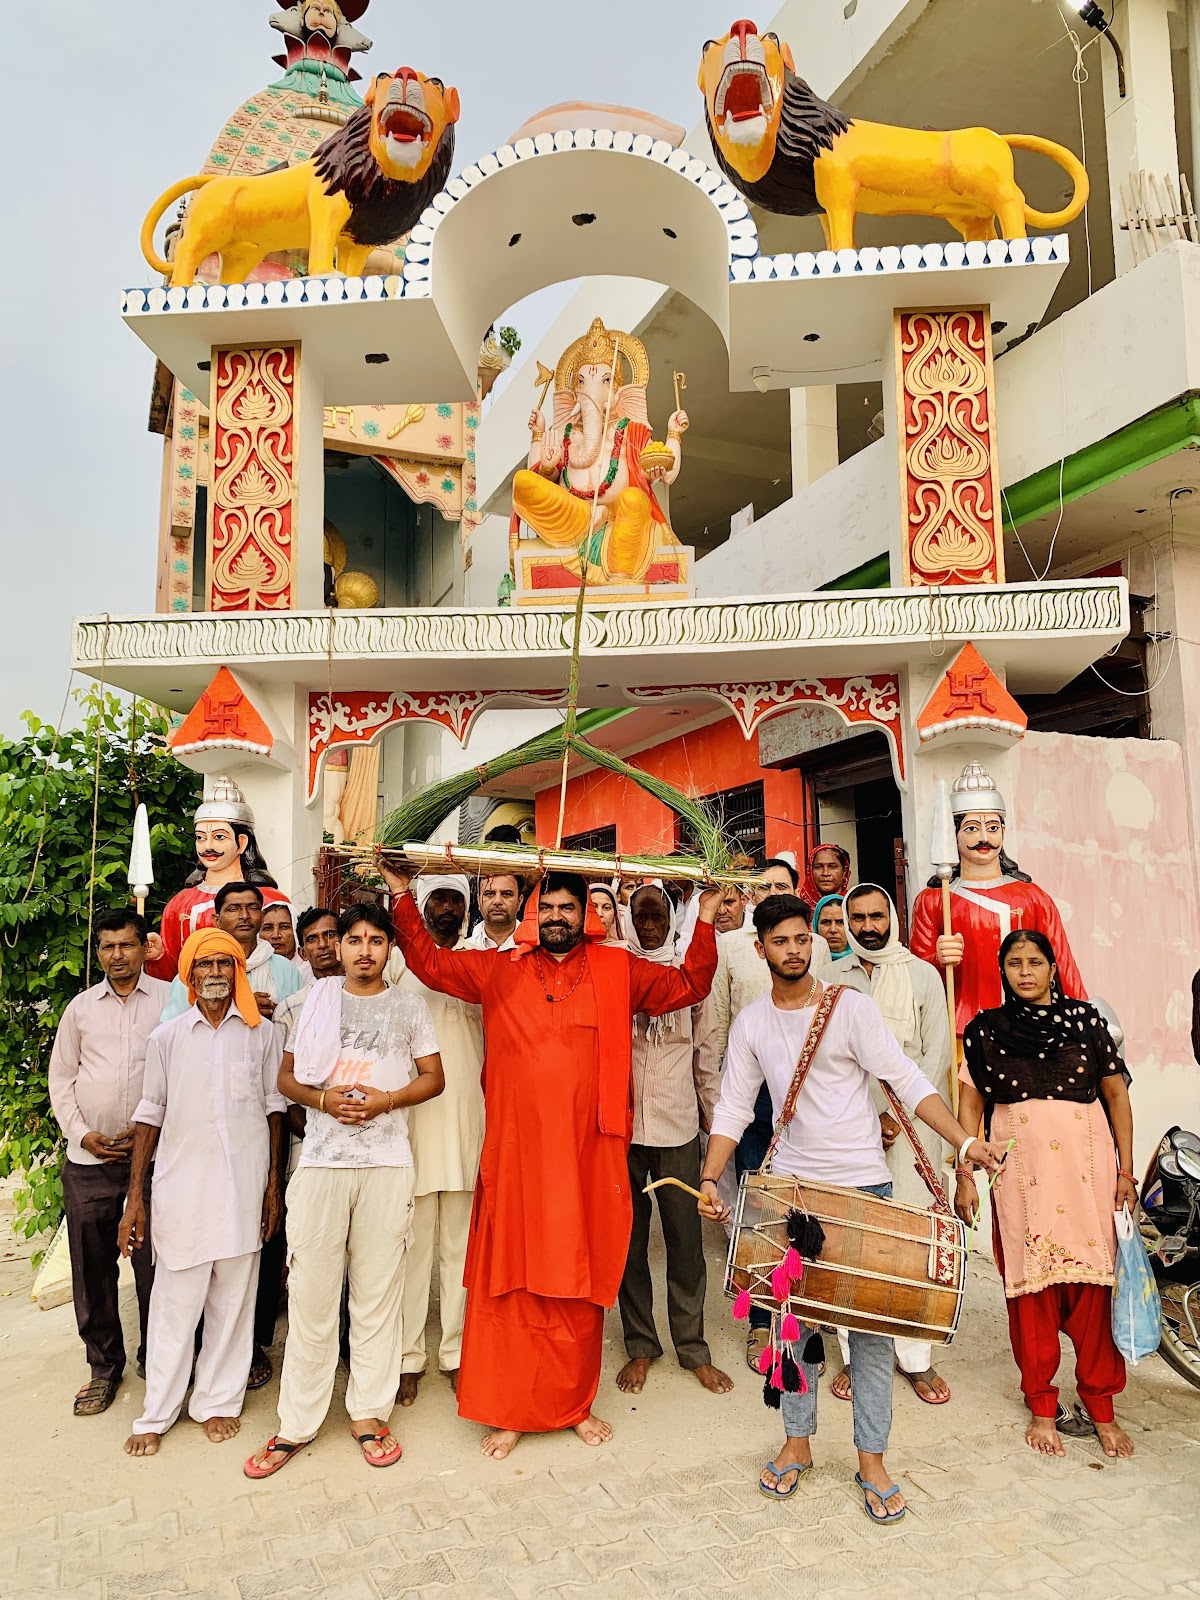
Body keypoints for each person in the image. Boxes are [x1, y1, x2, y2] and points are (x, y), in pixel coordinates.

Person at [377, 861, 721, 1460]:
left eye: (568, 906)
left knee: (576, 1280)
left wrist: (709, 915)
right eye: (548, 907)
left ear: (584, 913)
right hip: (515, 1156)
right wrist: (402, 893)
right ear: (532, 915)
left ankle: (572, 1406)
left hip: (589, 1154)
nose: (557, 916)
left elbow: (688, 983)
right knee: (511, 1282)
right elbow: (429, 964)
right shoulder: (497, 969)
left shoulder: (618, 969)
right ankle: (511, 1411)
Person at [697, 895, 1005, 1519]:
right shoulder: (753, 1023)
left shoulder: (850, 1009)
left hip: (865, 1189)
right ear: (760, 949)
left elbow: (907, 1081)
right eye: (780, 941)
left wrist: (966, 1142)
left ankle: (872, 1458)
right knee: (793, 1329)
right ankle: (797, 1443)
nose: (794, 950)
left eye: (801, 940)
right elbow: (733, 1106)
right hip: (793, 1192)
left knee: (871, 1333)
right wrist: (710, 1177)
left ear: (812, 943)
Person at [245, 904, 444, 1478]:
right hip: (325, 1162)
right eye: (352, 940)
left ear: (388, 949)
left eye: (374, 940)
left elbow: (434, 1077)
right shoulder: (311, 1003)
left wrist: (386, 1101)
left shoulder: (408, 1004)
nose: (362, 950)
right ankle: (296, 1424)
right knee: (311, 1292)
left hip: (386, 1162)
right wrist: (325, 1100)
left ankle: (368, 1414)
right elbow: (286, 1079)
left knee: (378, 1293)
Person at [956, 929, 1136, 1460]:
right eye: (1015, 964)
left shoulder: (1086, 1022)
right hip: (1022, 1176)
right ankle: (1041, 1405)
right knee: (1031, 1291)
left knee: (1093, 1288)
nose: (1026, 971)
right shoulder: (985, 1030)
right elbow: (970, 1107)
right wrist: (968, 1173)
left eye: (1036, 962)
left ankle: (1101, 1406)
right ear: (1004, 972)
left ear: (1053, 968)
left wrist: (1126, 1170)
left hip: (1088, 1173)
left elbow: (1116, 1096)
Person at [120, 929, 286, 1457]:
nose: (215, 972)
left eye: (224, 963)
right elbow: (149, 1115)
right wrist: (135, 1197)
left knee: (233, 1302)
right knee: (174, 1304)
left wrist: (273, 1186)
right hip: (181, 1191)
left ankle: (217, 1402)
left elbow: (274, 1110)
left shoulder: (263, 1034)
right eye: (204, 964)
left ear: (238, 971)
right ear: (189, 975)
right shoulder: (168, 1037)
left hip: (243, 1188)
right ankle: (157, 1411)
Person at [819, 884, 954, 1406]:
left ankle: (915, 1358)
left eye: (877, 916)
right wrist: (869, 1113)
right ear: (845, 921)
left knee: (909, 1244)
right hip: (851, 1127)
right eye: (857, 917)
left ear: (891, 918)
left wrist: (896, 1114)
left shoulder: (922, 975)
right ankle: (856, 1357)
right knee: (855, 1240)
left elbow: (936, 1055)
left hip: (910, 1130)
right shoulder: (830, 978)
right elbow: (829, 1059)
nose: (868, 926)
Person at [693, 860, 830, 1369]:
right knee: (758, 1208)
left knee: (811, 1206)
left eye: (781, 885)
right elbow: (716, 1031)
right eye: (763, 886)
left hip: (810, 1099)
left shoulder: (809, 947)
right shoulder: (732, 949)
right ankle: (759, 1323)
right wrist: (717, 1107)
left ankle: (807, 1318)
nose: (772, 891)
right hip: (752, 1100)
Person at [48, 911, 170, 1417]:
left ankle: (159, 1359)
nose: (117, 955)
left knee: (156, 1267)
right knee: (93, 1266)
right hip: (90, 1160)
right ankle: (103, 1367)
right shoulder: (80, 1010)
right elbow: (61, 1080)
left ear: (145, 947)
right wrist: (85, 1135)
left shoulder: (169, 1000)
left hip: (155, 1159)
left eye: (126, 945)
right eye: (106, 947)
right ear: (97, 953)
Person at [616, 886, 731, 1398]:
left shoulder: (691, 973)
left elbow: (706, 1053)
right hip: (621, 1132)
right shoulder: (614, 970)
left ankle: (693, 1347)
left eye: (657, 914)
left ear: (672, 916)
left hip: (678, 1128)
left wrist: (713, 1126)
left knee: (686, 1245)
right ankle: (641, 1345)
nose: (648, 925)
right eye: (639, 916)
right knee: (629, 1245)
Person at [910, 762, 1087, 1035]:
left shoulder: (1032, 897)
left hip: (1030, 1028)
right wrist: (938, 959)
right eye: (971, 829)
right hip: (960, 1027)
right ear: (953, 834)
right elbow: (915, 976)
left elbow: (1061, 963)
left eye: (992, 828)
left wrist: (1083, 1021)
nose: (984, 838)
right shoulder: (934, 900)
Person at [397, 876, 485, 1405]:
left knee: (460, 1248)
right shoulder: (397, 963)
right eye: (438, 900)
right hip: (410, 1125)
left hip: (469, 1122)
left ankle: (454, 1352)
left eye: (456, 899)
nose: (448, 909)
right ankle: (408, 1356)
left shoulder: (480, 960)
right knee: (412, 1249)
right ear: (423, 907)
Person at [145, 778, 288, 981]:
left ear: (242, 842)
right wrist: (157, 956)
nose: (207, 846)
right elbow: (171, 977)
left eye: (219, 837)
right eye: (201, 838)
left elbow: (287, 962)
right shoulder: (179, 903)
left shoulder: (271, 900)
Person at [161, 883, 304, 1025]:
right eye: (233, 909)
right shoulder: (197, 969)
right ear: (216, 920)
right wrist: (243, 1008)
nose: (244, 916)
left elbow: (299, 1022)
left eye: (252, 908)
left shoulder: (285, 968)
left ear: (261, 917)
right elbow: (172, 1029)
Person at [466, 872, 525, 951]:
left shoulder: (536, 951)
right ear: (479, 901)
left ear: (520, 901)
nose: (497, 901)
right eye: (489, 894)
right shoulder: (464, 951)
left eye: (506, 894)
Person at [801, 843, 852, 909]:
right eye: (818, 867)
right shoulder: (800, 907)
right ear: (810, 872)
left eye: (832, 867)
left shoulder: (853, 904)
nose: (825, 873)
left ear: (844, 871)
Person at [813, 894, 849, 960]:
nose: (833, 930)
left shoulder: (865, 960)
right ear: (816, 925)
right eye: (826, 922)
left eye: (840, 922)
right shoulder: (806, 962)